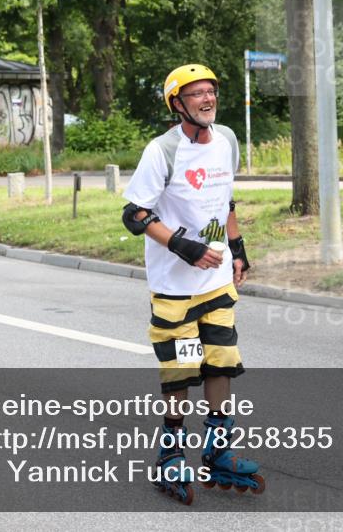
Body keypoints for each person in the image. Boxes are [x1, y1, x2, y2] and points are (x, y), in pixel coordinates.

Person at [121, 63, 263, 505]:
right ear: (177, 103)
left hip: (216, 284)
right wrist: (184, 247)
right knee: (182, 370)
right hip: (175, 291)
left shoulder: (227, 141)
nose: (207, 99)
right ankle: (170, 454)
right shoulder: (162, 151)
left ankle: (218, 452)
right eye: (197, 94)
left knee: (220, 363)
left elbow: (223, 202)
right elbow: (135, 215)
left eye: (211, 92)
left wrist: (235, 249)